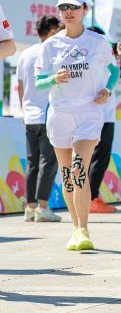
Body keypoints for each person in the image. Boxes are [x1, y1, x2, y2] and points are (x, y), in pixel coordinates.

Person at [35, 0, 118, 252]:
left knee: (79, 168)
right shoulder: (50, 46)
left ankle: (83, 229)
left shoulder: (98, 42)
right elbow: (39, 82)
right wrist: (53, 79)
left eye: (73, 7)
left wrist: (107, 90)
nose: (68, 12)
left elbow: (114, 70)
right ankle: (75, 228)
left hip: (89, 113)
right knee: (67, 175)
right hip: (60, 114)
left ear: (85, 10)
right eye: (63, 8)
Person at [17, 14, 63, 223]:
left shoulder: (25, 54)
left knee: (32, 163)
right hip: (47, 114)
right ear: (51, 32)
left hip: (30, 116)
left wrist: (24, 111)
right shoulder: (51, 52)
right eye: (58, 31)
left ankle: (30, 208)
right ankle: (42, 207)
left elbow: (20, 86)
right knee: (48, 162)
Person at [87, 27, 121, 214]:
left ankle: (88, 196)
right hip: (103, 114)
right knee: (99, 158)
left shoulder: (88, 55)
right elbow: (117, 72)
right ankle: (91, 198)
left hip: (88, 113)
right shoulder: (103, 55)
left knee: (87, 158)